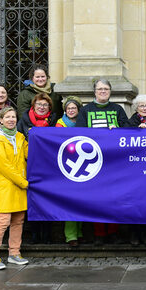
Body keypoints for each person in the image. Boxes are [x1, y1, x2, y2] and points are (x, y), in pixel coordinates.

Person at [76, 79, 128, 244]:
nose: (103, 91)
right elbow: (79, 134)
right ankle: (98, 233)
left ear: (110, 91)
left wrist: (119, 130)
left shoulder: (118, 109)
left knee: (114, 197)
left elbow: (128, 131)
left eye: (106, 89)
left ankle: (113, 232)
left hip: (114, 161)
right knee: (96, 198)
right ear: (95, 92)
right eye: (100, 89)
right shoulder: (85, 110)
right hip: (93, 161)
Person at [0, 107, 29, 270]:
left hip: (18, 184)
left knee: (18, 220)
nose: (11, 120)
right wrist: (23, 182)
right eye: (8, 117)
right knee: (3, 221)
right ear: (1, 120)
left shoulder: (19, 137)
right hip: (6, 185)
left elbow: (29, 154)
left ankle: (14, 253)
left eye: (13, 117)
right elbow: (4, 167)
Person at [17, 92, 56, 244]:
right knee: (33, 201)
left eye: (45, 105)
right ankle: (34, 234)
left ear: (49, 107)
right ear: (33, 105)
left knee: (47, 201)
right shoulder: (24, 121)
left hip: (49, 167)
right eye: (39, 104)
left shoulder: (54, 121)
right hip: (30, 166)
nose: (42, 107)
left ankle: (47, 235)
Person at [125, 94, 146, 246]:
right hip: (135, 169)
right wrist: (135, 131)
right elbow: (124, 137)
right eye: (141, 106)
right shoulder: (131, 122)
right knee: (135, 202)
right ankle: (134, 234)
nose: (144, 108)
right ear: (136, 108)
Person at [55, 96, 86, 247]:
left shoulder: (83, 122)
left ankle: (80, 232)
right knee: (70, 202)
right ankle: (71, 235)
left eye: (74, 108)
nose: (71, 111)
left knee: (81, 200)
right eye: (68, 108)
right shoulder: (60, 125)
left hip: (83, 165)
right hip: (68, 166)